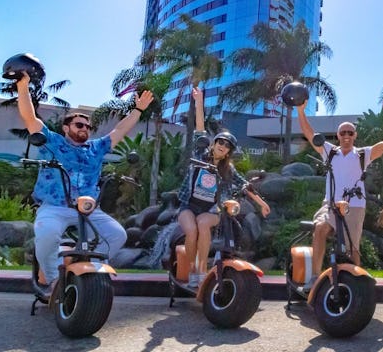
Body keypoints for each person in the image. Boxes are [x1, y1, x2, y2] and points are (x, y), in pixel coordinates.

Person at [15, 71, 151, 297]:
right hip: (55, 206)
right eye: (79, 125)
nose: (85, 129)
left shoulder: (96, 148)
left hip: (88, 209)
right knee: (46, 234)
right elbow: (30, 118)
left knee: (118, 235)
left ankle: (84, 267)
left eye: (87, 126)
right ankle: (52, 280)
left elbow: (120, 130)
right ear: (66, 128)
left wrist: (138, 110)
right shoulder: (53, 142)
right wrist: (23, 87)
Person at [296, 100, 383, 289]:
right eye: (343, 133)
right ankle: (315, 277)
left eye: (350, 132)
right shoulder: (330, 152)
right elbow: (309, 133)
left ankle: (359, 285)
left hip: (355, 206)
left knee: (353, 249)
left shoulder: (362, 154)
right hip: (331, 205)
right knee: (319, 229)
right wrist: (301, 110)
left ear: (355, 135)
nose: (347, 136)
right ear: (338, 135)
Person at [177, 87, 270, 287]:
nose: (222, 145)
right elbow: (200, 127)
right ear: (214, 143)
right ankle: (193, 268)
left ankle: (200, 272)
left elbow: (245, 186)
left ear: (229, 152)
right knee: (191, 230)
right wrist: (199, 101)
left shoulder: (228, 169)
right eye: (220, 141)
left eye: (227, 145)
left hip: (210, 209)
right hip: (188, 205)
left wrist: (262, 204)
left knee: (203, 224)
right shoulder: (201, 154)